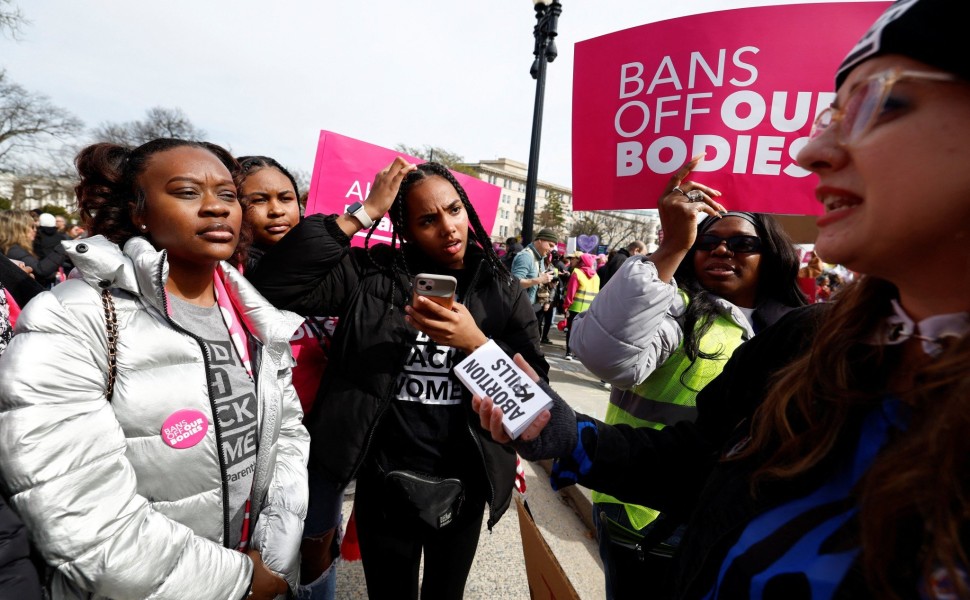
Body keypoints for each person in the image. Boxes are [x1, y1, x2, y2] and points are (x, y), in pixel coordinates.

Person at [475, 0, 970, 595]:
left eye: (875, 104)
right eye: (829, 116)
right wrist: (560, 432)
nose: (809, 152)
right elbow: (697, 463)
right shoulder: (811, 341)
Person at [0, 139, 309, 600]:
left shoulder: (255, 316)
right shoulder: (69, 319)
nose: (214, 208)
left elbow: (287, 434)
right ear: (138, 210)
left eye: (227, 195)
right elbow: (82, 515)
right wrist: (237, 580)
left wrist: (275, 557)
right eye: (187, 192)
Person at [249, 158, 549, 600]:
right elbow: (274, 283)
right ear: (406, 230)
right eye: (428, 220)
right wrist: (363, 213)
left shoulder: (497, 286)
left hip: (463, 480)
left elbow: (535, 383)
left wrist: (475, 342)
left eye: (454, 210)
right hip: (385, 482)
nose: (448, 228)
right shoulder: (372, 274)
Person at [570, 198, 805, 599]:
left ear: (773, 255)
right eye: (707, 240)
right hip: (644, 509)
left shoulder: (793, 328)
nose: (720, 250)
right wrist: (672, 246)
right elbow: (605, 357)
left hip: (734, 514)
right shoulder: (678, 312)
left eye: (742, 244)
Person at [236, 154, 342, 600]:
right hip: (254, 449)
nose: (277, 210)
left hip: (321, 443)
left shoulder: (335, 269)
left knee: (317, 545)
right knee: (255, 560)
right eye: (258, 200)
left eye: (286, 198)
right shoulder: (230, 276)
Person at [0, 210, 70, 289]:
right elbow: (40, 270)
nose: (35, 230)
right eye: (32, 226)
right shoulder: (12, 249)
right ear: (18, 229)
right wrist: (65, 246)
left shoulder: (12, 247)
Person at [562, 251, 599, 360]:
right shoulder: (596, 276)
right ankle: (577, 354)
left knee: (570, 330)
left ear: (581, 262)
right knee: (582, 332)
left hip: (575, 307)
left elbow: (571, 291)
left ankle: (568, 353)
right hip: (588, 309)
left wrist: (566, 305)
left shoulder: (577, 272)